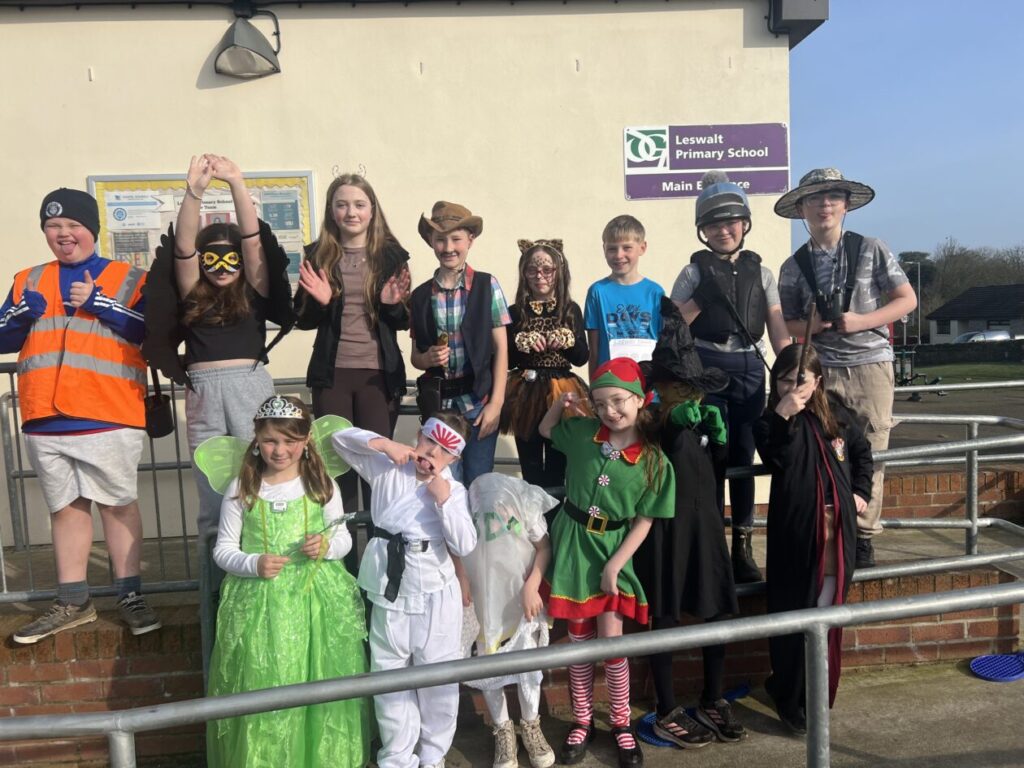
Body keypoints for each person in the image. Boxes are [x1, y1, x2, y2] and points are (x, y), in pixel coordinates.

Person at [4, 188, 160, 644]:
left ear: (92, 229)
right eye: (53, 226)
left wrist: (101, 303)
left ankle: (130, 595)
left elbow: (154, 334)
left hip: (108, 411)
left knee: (117, 505)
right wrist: (18, 315)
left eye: (73, 225)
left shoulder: (131, 277)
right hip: (43, 416)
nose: (63, 234)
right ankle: (73, 601)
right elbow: (3, 338)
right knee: (65, 510)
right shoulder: (27, 279)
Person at [203, 395, 371, 767]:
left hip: (317, 604)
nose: (280, 450)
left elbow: (343, 539)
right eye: (270, 441)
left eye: (290, 441)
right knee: (265, 679)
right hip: (259, 605)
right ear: (256, 440)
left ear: (307, 440)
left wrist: (326, 547)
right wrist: (253, 563)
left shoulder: (322, 485)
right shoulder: (242, 487)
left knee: (320, 680)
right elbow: (223, 549)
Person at [143, 154, 294, 537]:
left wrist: (237, 183)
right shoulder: (193, 290)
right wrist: (194, 192)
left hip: (249, 385)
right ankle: (213, 572)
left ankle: (261, 562)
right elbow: (182, 249)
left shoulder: (256, 288)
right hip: (203, 390)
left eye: (231, 258)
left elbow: (253, 241)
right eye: (211, 258)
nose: (222, 266)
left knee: (260, 479)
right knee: (211, 487)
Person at [775, 168, 917, 568]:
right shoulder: (793, 266)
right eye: (815, 198)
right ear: (801, 208)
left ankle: (864, 535)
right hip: (821, 367)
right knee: (823, 450)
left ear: (846, 205)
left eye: (833, 197)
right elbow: (787, 322)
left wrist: (860, 321)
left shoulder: (871, 248)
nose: (824, 205)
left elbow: (907, 300)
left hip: (870, 363)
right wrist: (815, 325)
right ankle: (831, 532)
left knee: (872, 447)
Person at [539, 358, 675, 768]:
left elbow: (645, 521)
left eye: (618, 401)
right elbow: (545, 430)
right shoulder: (583, 433)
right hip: (573, 547)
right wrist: (561, 404)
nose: (609, 411)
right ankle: (582, 720)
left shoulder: (654, 461)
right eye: (599, 404)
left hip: (613, 549)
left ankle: (620, 722)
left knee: (613, 643)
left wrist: (616, 565)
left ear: (639, 399)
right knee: (579, 641)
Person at [331, 412, 478, 768]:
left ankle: (433, 754)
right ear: (418, 436)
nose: (433, 454)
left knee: (437, 675)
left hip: (435, 590)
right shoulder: (387, 467)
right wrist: (384, 444)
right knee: (389, 673)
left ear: (454, 459)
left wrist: (444, 501)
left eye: (444, 451)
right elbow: (338, 439)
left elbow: (465, 543)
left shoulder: (453, 491)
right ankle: (397, 756)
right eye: (430, 442)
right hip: (390, 587)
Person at [636, 299, 746, 749]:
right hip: (667, 530)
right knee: (665, 614)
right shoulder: (651, 419)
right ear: (662, 387)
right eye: (678, 387)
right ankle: (665, 708)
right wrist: (670, 425)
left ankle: (712, 697)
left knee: (715, 609)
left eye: (693, 389)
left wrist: (718, 442)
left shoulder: (702, 416)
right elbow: (649, 446)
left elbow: (714, 473)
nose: (688, 396)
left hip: (706, 525)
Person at [671, 171, 791, 583]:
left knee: (743, 454)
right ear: (702, 231)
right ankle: (711, 548)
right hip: (707, 369)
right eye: (714, 225)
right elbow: (672, 327)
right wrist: (701, 297)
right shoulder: (693, 273)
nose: (723, 231)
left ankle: (743, 547)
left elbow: (776, 324)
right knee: (710, 460)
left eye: (731, 222)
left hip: (750, 370)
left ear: (744, 224)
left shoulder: (764, 273)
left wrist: (791, 365)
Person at [753, 344, 873, 735]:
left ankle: (817, 691)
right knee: (794, 614)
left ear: (818, 381)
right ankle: (789, 696)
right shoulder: (769, 422)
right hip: (797, 533)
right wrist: (783, 415)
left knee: (828, 611)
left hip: (838, 532)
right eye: (783, 380)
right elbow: (777, 458)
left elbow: (861, 453)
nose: (791, 388)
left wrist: (860, 491)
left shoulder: (837, 416)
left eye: (800, 381)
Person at [294, 173, 411, 513]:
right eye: (342, 205)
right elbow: (302, 319)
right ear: (332, 211)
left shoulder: (391, 256)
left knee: (377, 467)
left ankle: (380, 542)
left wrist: (390, 305)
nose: (351, 212)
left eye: (359, 205)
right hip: (333, 375)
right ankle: (341, 545)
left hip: (378, 375)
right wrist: (321, 303)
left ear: (372, 210)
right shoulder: (317, 256)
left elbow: (404, 321)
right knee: (338, 467)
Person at [409, 201, 511, 488]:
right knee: (442, 482)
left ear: (470, 240)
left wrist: (497, 403)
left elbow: (502, 348)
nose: (448, 247)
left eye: (456, 239)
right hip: (440, 406)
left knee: (479, 481)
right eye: (440, 239)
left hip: (479, 403)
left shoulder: (486, 285)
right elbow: (416, 357)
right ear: (431, 242)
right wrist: (427, 359)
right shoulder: (420, 296)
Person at [462, 473, 558, 768]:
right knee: (488, 665)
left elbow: (543, 547)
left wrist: (532, 585)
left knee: (528, 665)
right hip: (484, 604)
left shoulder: (524, 509)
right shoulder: (466, 511)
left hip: (521, 601)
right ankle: (502, 729)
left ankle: (531, 724)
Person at [501, 238, 590, 490]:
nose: (540, 276)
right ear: (524, 273)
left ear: (559, 272)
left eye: (547, 270)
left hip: (561, 389)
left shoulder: (570, 310)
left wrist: (567, 341)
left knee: (557, 460)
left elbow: (581, 357)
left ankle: (556, 511)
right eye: (532, 270)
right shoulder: (515, 312)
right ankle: (533, 511)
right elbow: (506, 360)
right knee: (530, 463)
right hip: (525, 391)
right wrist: (522, 343)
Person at [584, 215, 663, 379]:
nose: (619, 255)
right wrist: (593, 387)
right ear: (604, 249)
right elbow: (594, 350)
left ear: (642, 248)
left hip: (647, 383)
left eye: (627, 248)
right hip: (610, 383)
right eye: (612, 249)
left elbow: (663, 344)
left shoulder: (655, 292)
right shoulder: (597, 292)